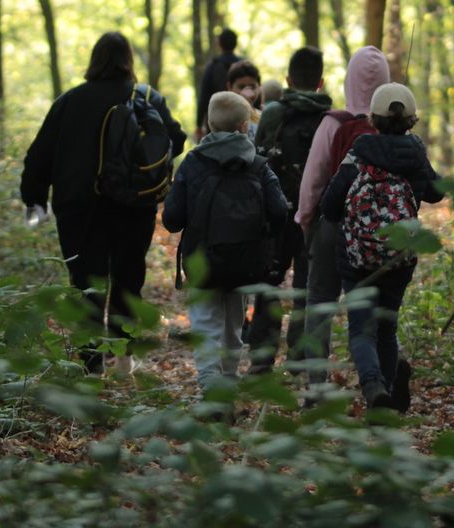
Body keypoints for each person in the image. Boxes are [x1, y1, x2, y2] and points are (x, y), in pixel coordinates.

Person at [21, 32, 186, 375]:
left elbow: (40, 154)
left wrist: (34, 198)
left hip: (80, 208)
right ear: (129, 60)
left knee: (87, 284)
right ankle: (124, 357)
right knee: (128, 279)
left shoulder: (70, 102)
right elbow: (176, 139)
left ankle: (92, 364)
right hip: (133, 205)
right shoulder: (147, 99)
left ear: (94, 60)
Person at [320, 83, 443, 410]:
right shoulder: (415, 153)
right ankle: (385, 398)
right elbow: (437, 193)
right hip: (398, 260)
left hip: (355, 259)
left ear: (372, 118)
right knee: (387, 329)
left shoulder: (359, 152)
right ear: (411, 119)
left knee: (362, 329)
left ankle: (373, 385)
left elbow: (329, 206)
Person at [162, 91, 289, 394]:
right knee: (233, 325)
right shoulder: (258, 165)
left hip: (202, 261)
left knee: (206, 322)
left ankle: (209, 384)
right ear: (246, 126)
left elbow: (172, 219)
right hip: (245, 260)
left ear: (208, 124)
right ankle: (229, 382)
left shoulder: (193, 163)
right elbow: (281, 211)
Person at [294, 46, 390, 390]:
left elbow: (313, 182)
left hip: (332, 227)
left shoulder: (334, 122)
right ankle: (377, 380)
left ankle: (316, 386)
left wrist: (306, 225)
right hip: (378, 230)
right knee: (369, 309)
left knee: (319, 303)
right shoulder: (393, 124)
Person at [246, 47, 332, 373]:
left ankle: (261, 359)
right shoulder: (330, 118)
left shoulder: (273, 114)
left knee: (269, 283)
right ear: (321, 82)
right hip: (316, 215)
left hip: (276, 212)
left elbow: (256, 162)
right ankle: (298, 359)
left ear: (288, 79)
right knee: (307, 288)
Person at [195, 28, 242, 140]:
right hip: (240, 117)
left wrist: (198, 125)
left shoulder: (212, 67)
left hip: (215, 119)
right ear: (235, 43)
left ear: (219, 44)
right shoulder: (243, 66)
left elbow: (204, 97)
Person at [226, 59, 263, 141]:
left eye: (252, 87)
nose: (247, 92)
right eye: (241, 87)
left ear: (259, 87)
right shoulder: (225, 118)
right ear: (230, 87)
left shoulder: (263, 117)